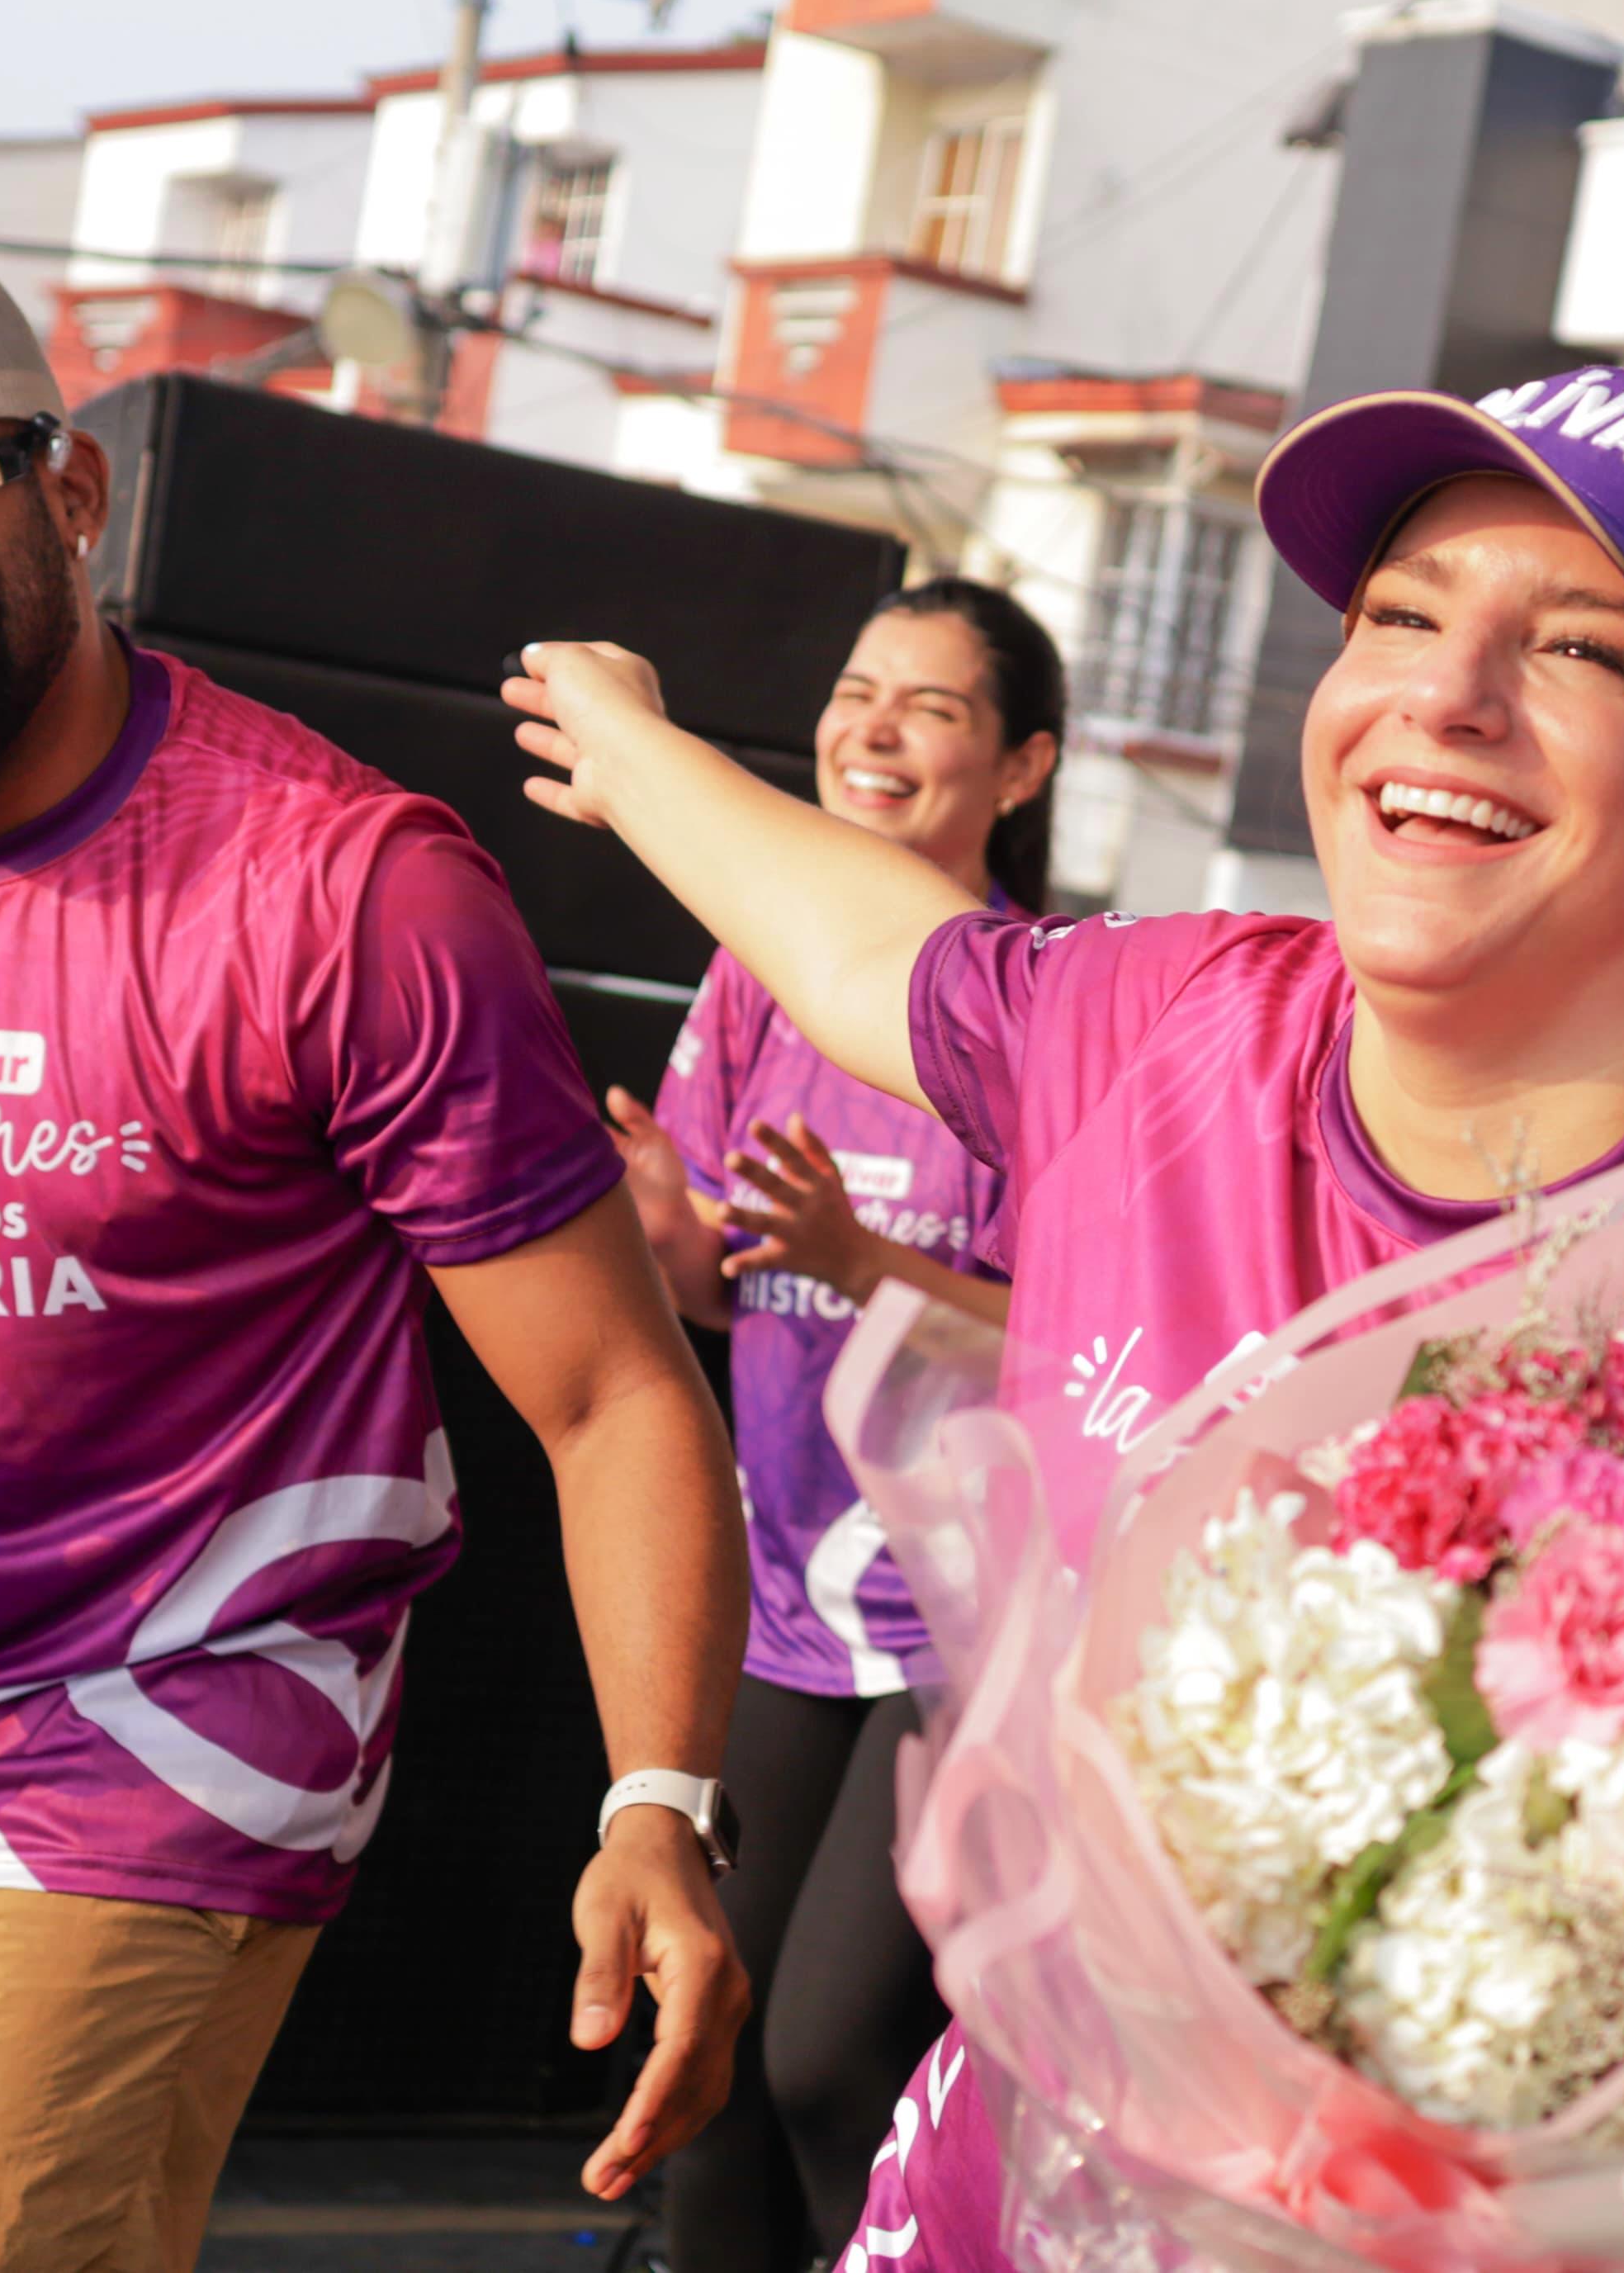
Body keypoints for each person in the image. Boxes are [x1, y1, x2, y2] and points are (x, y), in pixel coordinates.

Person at [501, 362, 1624, 2272]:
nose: (1446, 697)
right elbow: (863, 939)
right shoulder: (1162, 1026)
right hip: (991, 2208)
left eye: (1581, 650)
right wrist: (620, 741)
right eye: (1399, 616)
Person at [0, 225, 747, 2273]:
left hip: (164, 1739)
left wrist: (661, 1808)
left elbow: (615, 1392)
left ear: (68, 489)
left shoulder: (346, 889)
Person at [614, 576, 1056, 2273]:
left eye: (930, 706)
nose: (874, 730)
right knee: (703, 2052)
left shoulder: (1043, 1011)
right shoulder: (753, 974)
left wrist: (863, 1261)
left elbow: (1075, 1349)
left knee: (824, 2059)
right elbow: (722, 1295)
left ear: (1020, 767)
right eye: (859, 690)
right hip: (781, 1592)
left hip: (964, 1617)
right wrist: (656, 1228)